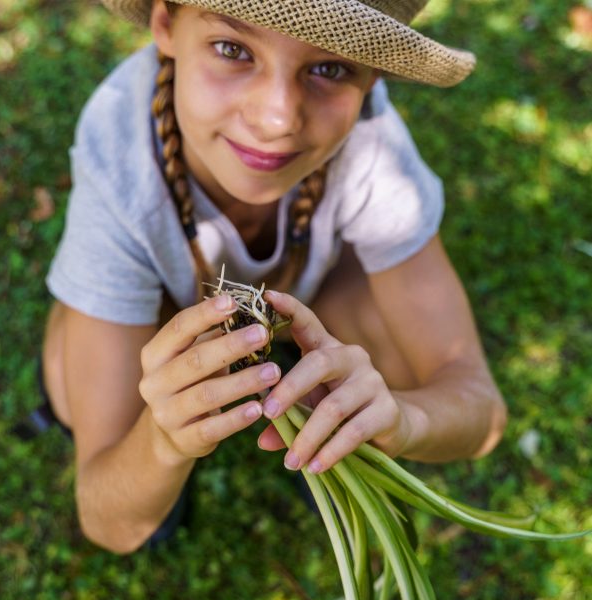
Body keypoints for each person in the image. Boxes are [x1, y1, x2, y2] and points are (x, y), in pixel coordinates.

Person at [40, 0, 507, 554]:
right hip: (166, 309)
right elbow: (106, 519)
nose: (277, 117)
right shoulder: (121, 164)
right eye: (233, 49)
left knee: (398, 364)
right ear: (165, 24)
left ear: (373, 74)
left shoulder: (372, 147)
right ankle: (200, 430)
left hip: (309, 299)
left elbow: (480, 407)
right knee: (82, 399)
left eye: (330, 68)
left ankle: (324, 420)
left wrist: (404, 419)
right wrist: (160, 442)